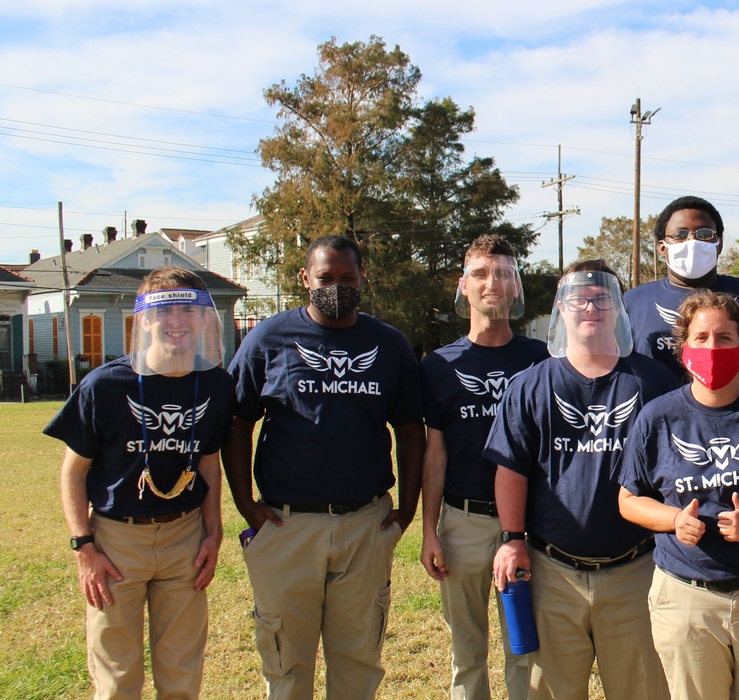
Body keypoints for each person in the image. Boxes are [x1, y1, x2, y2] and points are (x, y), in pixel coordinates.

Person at [223, 235, 425, 700]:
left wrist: (408, 509)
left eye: (347, 278)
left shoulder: (388, 344)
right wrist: (245, 504)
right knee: (286, 665)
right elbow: (237, 425)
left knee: (358, 662)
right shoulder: (268, 339)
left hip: (365, 524)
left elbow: (411, 431)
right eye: (325, 278)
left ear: (362, 277)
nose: (337, 287)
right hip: (287, 525)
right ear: (304, 279)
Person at [487, 260, 678, 700]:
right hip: (553, 571)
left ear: (619, 309)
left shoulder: (653, 381)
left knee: (643, 690)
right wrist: (512, 539)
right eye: (578, 299)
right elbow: (510, 469)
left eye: (602, 298)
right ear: (560, 308)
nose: (590, 307)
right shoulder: (530, 385)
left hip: (637, 570)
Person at [45, 266, 233, 699]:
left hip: (184, 535)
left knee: (182, 671)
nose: (176, 321)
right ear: (143, 320)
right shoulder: (105, 386)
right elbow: (73, 470)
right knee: (117, 675)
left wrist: (213, 532)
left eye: (187, 310)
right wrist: (83, 547)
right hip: (116, 540)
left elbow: (209, 463)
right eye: (164, 311)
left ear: (204, 318)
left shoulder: (216, 385)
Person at [616, 289, 739, 700]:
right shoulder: (657, 417)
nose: (712, 348)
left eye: (724, 338)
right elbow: (629, 500)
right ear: (684, 349)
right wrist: (673, 520)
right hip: (686, 598)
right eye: (700, 338)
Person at [420, 235, 547, 700]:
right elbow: (435, 454)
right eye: (480, 273)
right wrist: (429, 530)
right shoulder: (438, 365)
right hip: (463, 522)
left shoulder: (542, 360)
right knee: (466, 652)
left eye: (503, 274)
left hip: (529, 526)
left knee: (527, 651)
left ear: (516, 287)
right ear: (463, 285)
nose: (491, 283)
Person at [623, 196, 739, 404]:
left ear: (719, 244)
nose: (692, 242)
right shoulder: (632, 303)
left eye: (704, 234)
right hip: (653, 422)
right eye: (680, 235)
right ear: (662, 248)